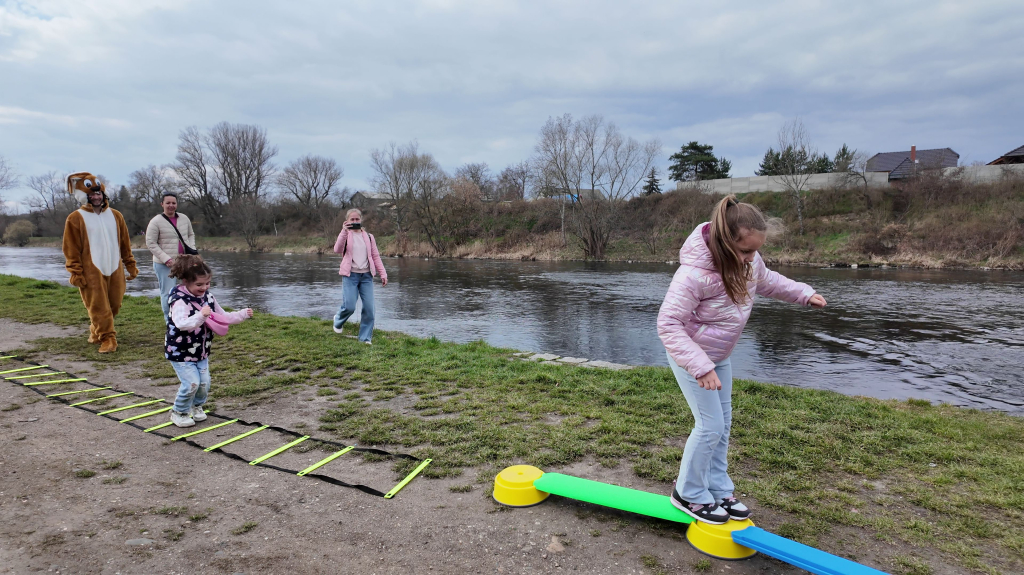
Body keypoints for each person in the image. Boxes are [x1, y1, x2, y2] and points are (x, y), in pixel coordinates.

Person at [657, 195, 827, 524]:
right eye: (746, 251)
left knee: (723, 425)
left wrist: (803, 293)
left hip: (720, 356)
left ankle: (718, 489)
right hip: (692, 358)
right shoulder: (692, 275)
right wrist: (700, 367)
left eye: (755, 252)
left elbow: (769, 281)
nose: (751, 259)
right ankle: (688, 493)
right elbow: (668, 325)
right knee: (709, 426)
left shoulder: (749, 263)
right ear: (724, 242)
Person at [164, 255, 252, 428]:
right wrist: (201, 316)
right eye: (199, 285)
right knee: (192, 383)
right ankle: (179, 412)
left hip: (201, 351)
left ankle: (196, 406)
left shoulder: (208, 297)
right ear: (185, 281)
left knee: (204, 383)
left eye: (207, 283)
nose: (204, 288)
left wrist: (242, 314)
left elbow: (222, 316)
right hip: (180, 351)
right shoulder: (179, 300)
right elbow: (181, 324)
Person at [62, 171, 139, 354]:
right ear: (85, 196)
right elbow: (71, 248)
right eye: (92, 194)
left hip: (115, 267)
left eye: (98, 193)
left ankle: (96, 330)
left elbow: (125, 243)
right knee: (98, 305)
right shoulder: (75, 218)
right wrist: (75, 272)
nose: (96, 197)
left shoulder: (116, 216)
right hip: (91, 270)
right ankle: (108, 338)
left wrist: (130, 264)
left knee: (114, 304)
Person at [332, 208, 387, 344]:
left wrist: (383, 273)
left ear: (361, 220)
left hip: (366, 276)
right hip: (350, 275)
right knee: (349, 306)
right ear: (347, 221)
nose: (355, 221)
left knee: (369, 308)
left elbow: (375, 256)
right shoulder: (346, 235)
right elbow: (337, 249)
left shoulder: (369, 237)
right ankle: (338, 320)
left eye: (357, 219)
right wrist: (344, 231)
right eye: (352, 219)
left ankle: (365, 338)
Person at [145, 192, 196, 321]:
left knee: (190, 289)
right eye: (168, 203)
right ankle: (170, 321)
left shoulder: (184, 218)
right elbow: (151, 243)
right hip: (164, 264)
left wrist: (191, 249)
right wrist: (166, 259)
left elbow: (191, 234)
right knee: (168, 293)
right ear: (162, 204)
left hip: (185, 262)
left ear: (177, 204)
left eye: (173, 203)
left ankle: (189, 318)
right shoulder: (156, 221)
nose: (171, 205)